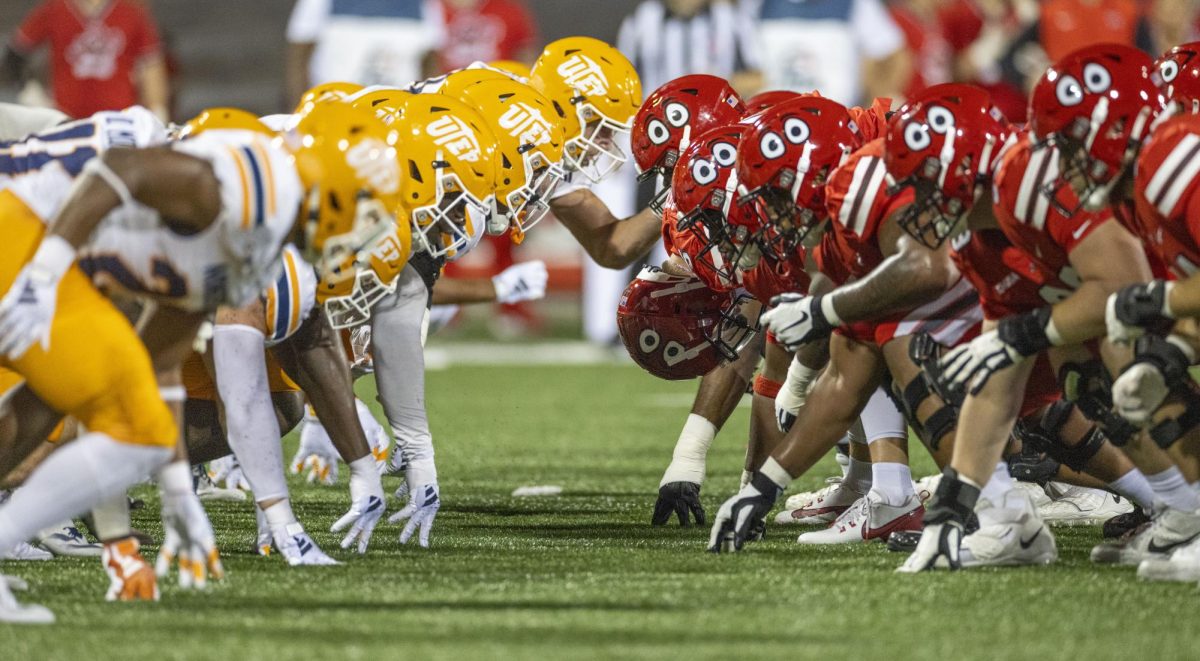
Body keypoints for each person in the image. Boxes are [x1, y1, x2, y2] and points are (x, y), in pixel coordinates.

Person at [2, 0, 170, 121]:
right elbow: (14, 54)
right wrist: (30, 92)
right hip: (65, 119)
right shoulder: (54, 9)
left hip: (119, 119)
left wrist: (157, 108)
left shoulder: (131, 12)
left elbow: (151, 65)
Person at [284, 0, 444, 107]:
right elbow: (299, 53)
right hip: (333, 109)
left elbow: (431, 59)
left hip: (396, 115)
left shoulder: (423, 4)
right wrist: (299, 108)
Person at [753, 0, 911, 105]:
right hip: (771, 122)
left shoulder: (857, 3)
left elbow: (892, 56)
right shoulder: (755, 5)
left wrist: (869, 108)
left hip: (839, 123)